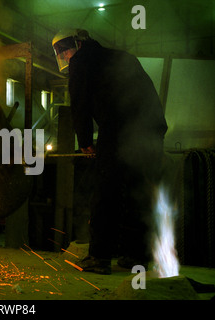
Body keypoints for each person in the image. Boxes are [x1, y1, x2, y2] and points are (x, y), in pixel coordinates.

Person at [52, 29, 168, 274]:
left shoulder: (80, 61)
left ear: (79, 43)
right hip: (151, 130)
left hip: (120, 130)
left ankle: (99, 257)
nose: (65, 55)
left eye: (66, 49)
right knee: (139, 193)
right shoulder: (123, 56)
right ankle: (135, 257)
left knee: (107, 192)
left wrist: (84, 141)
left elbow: (79, 103)